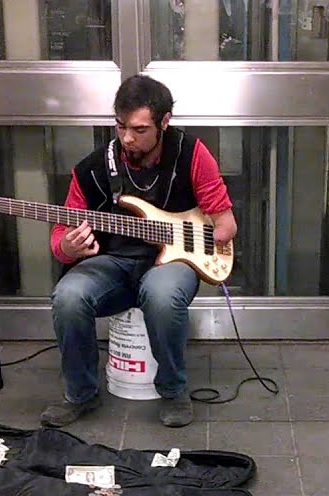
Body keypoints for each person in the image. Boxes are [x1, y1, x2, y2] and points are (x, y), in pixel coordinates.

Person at [41, 75, 237, 429]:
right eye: (120, 127)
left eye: (139, 129)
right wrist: (67, 247)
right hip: (112, 263)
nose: (128, 138)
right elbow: (60, 236)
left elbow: (226, 226)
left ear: (165, 122)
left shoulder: (191, 154)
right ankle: (80, 394)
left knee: (161, 295)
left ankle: (174, 391)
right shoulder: (93, 168)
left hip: (171, 263)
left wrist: (187, 242)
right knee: (68, 296)